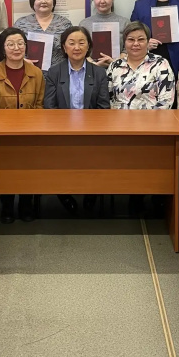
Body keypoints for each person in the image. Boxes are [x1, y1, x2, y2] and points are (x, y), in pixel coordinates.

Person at [44, 26, 110, 216]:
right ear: (64, 47)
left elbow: (103, 108)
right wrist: (64, 132)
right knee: (58, 155)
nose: (76, 47)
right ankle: (63, 193)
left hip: (92, 132)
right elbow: (49, 107)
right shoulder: (54, 72)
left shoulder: (99, 73)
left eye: (82, 43)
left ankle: (91, 192)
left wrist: (91, 132)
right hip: (61, 131)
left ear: (88, 46)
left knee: (95, 154)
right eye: (71, 43)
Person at [0, 27, 46, 223]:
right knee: (6, 169)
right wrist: (2, 128)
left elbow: (40, 104)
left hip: (30, 132)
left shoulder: (36, 73)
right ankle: (7, 206)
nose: (16, 48)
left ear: (26, 46)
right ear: (3, 48)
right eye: (10, 44)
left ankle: (26, 206)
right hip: (2, 133)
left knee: (28, 169)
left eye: (20, 44)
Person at [107, 21, 175, 110]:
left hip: (152, 117)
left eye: (141, 39)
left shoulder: (160, 64)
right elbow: (107, 99)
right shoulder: (115, 66)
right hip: (119, 117)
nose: (136, 44)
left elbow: (166, 100)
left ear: (148, 42)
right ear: (124, 42)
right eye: (131, 39)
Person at [14, 0, 71, 71]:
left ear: (53, 2)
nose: (43, 1)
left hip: (59, 74)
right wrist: (22, 61)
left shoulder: (64, 23)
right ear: (32, 1)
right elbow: (12, 49)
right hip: (28, 73)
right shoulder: (21, 23)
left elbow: (71, 48)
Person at [79, 0, 129, 67]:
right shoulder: (84, 24)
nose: (102, 1)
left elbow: (127, 48)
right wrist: (94, 64)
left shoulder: (124, 22)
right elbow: (81, 48)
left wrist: (114, 62)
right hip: (91, 69)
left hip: (119, 68)